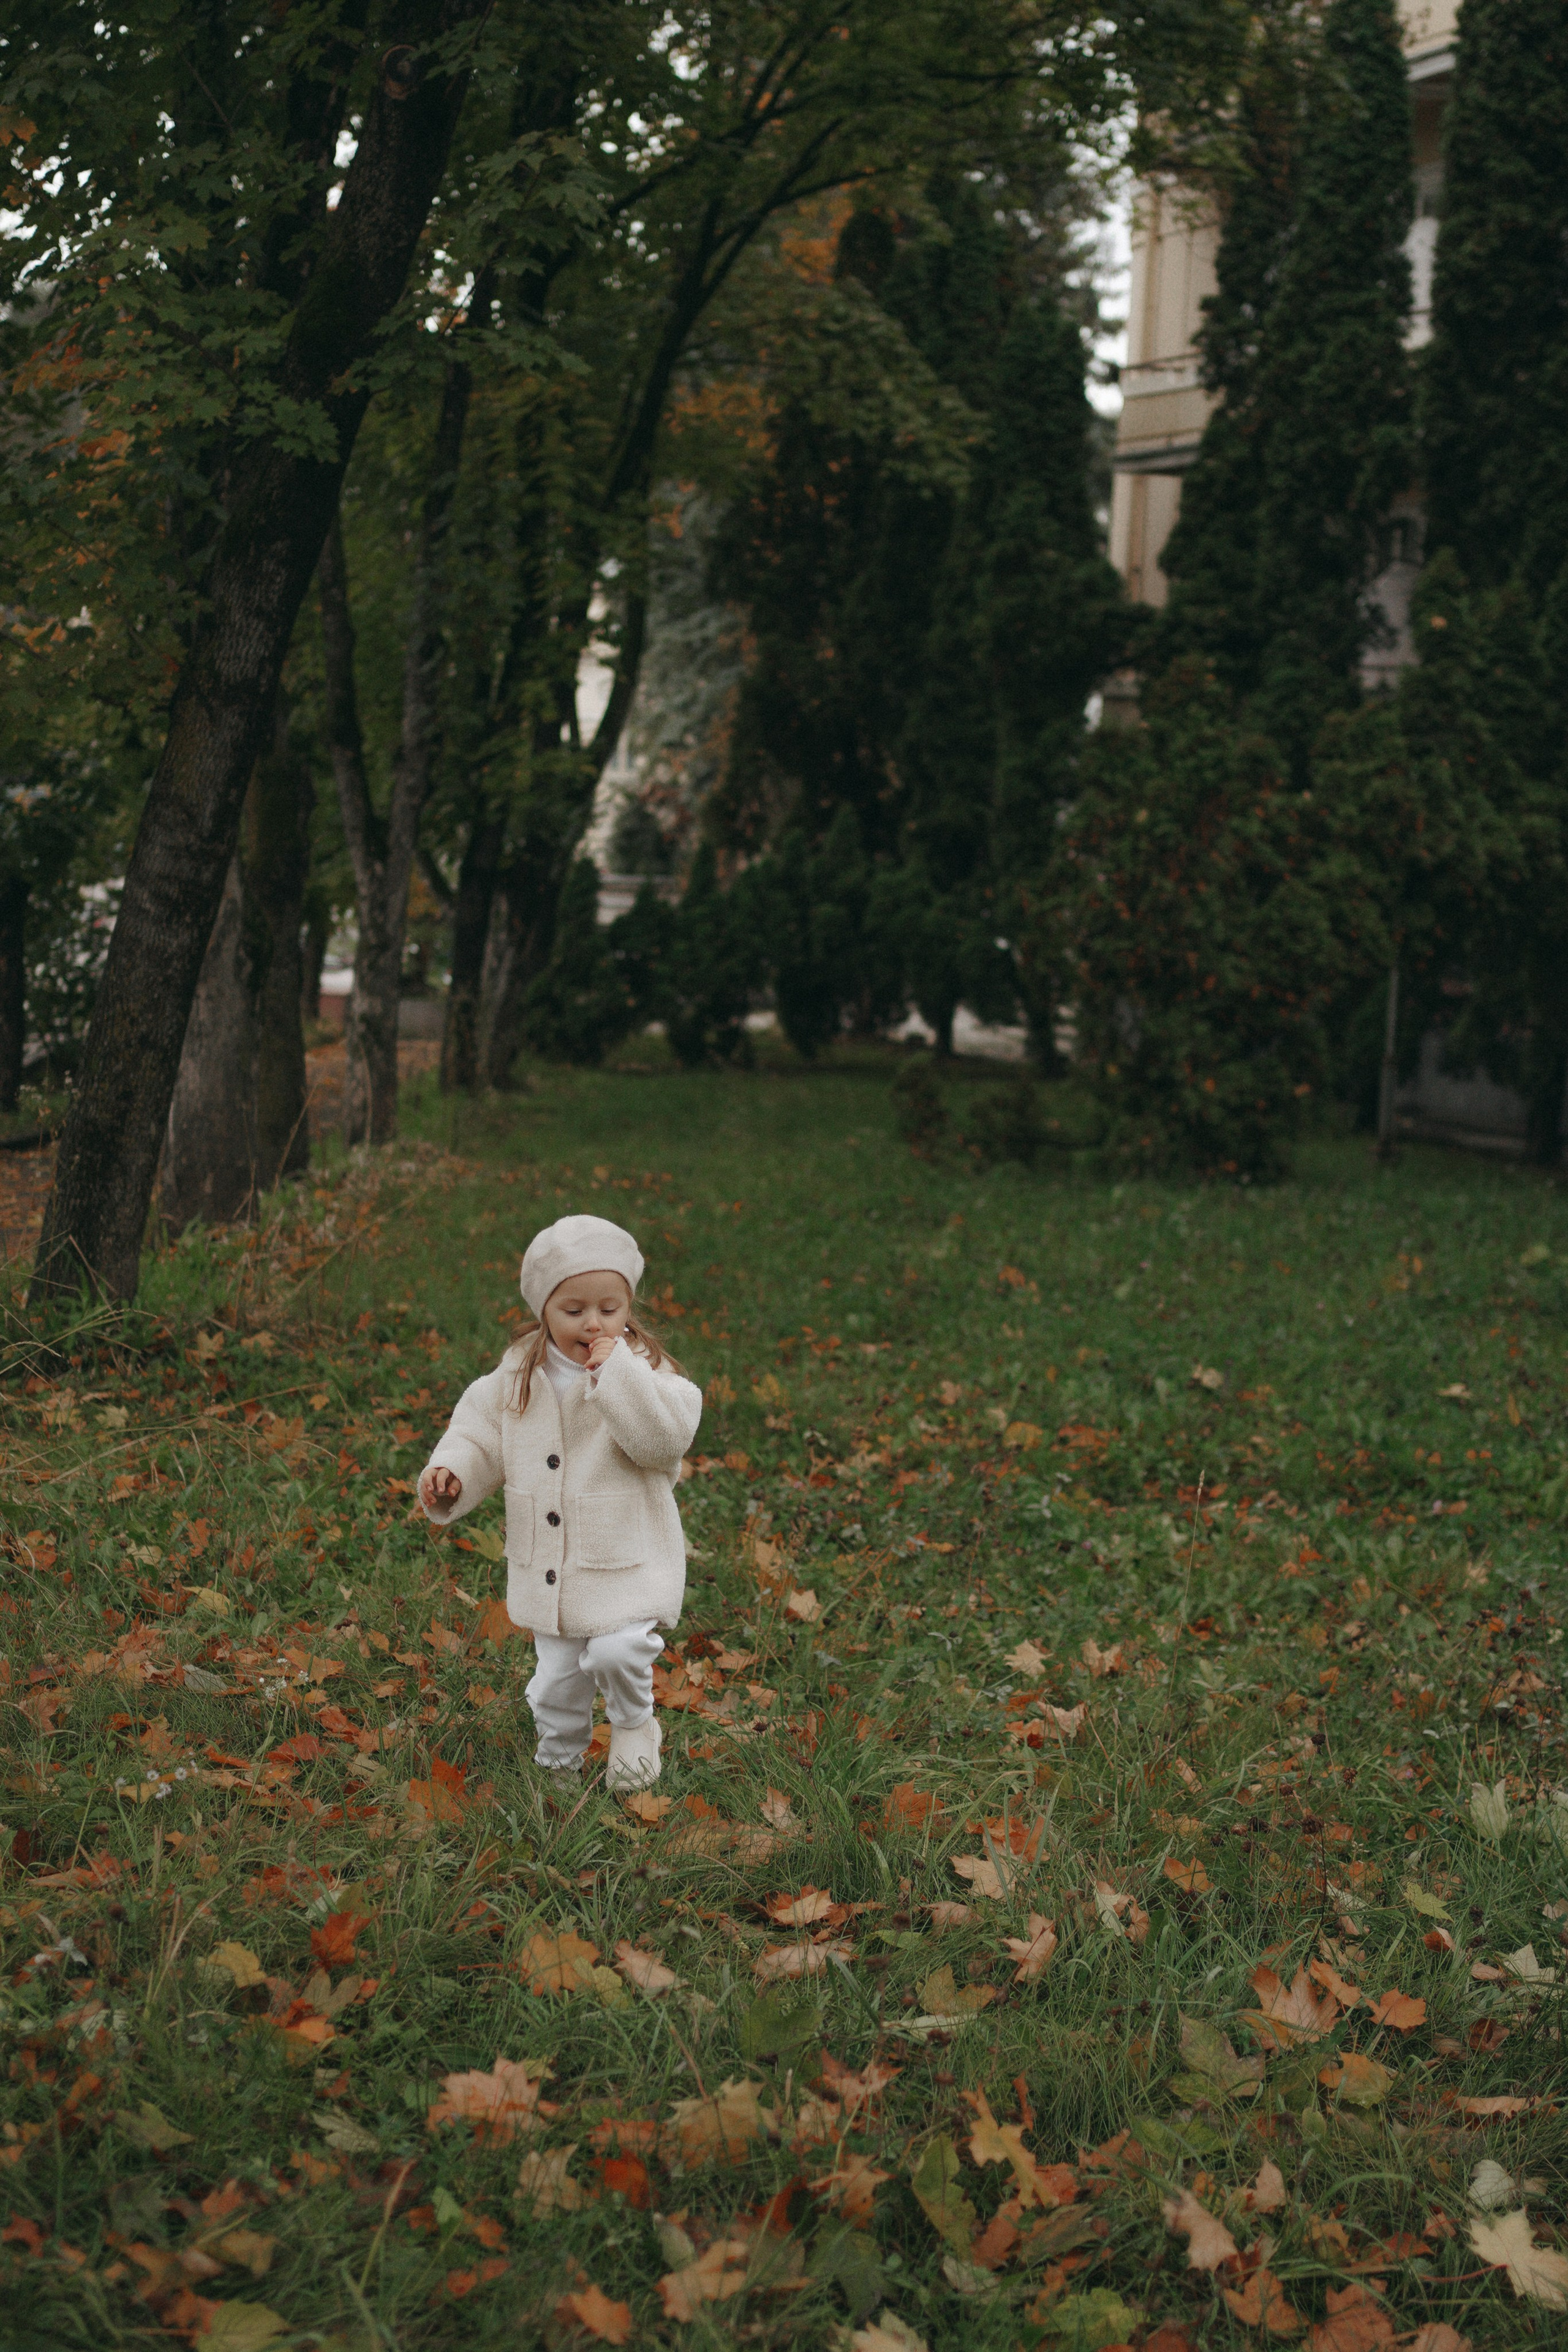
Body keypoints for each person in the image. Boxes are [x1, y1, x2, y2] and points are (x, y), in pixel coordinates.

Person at [417, 1213, 701, 1789]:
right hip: (549, 1563)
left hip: (625, 1556)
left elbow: (664, 1442)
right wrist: (452, 1471)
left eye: (610, 1308)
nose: (594, 1322)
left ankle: (633, 1723)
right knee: (557, 1680)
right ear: (543, 1310)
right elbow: (480, 1435)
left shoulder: (646, 1370)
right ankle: (558, 1768)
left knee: (618, 1651)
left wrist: (617, 1376)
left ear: (628, 1307)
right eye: (574, 1310)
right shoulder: (517, 1374)